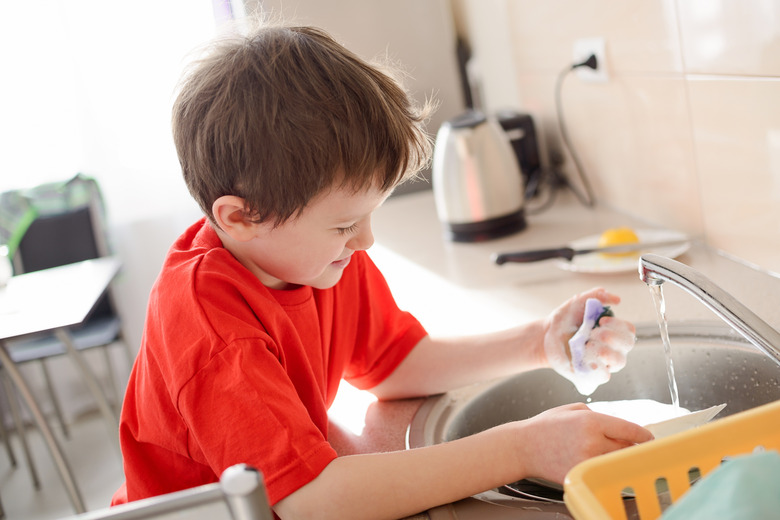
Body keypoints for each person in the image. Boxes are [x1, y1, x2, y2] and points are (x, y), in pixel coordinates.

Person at [112, 22, 652, 519]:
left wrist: (537, 343)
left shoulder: (314, 260)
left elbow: (394, 363)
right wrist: (521, 448)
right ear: (241, 217)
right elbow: (315, 500)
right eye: (345, 224)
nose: (365, 240)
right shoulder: (211, 329)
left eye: (370, 215)